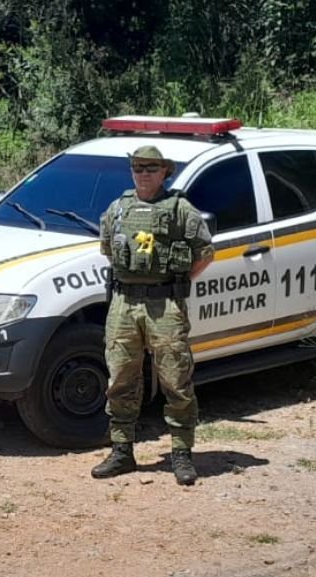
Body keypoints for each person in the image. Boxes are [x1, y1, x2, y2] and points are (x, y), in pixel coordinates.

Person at [92, 145, 214, 485]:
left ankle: (181, 453)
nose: (143, 173)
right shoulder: (117, 208)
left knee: (175, 377)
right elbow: (107, 249)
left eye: (151, 167)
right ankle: (121, 451)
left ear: (164, 172)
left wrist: (175, 282)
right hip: (124, 304)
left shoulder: (179, 210)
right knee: (120, 378)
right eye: (137, 167)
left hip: (165, 306)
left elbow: (204, 253)